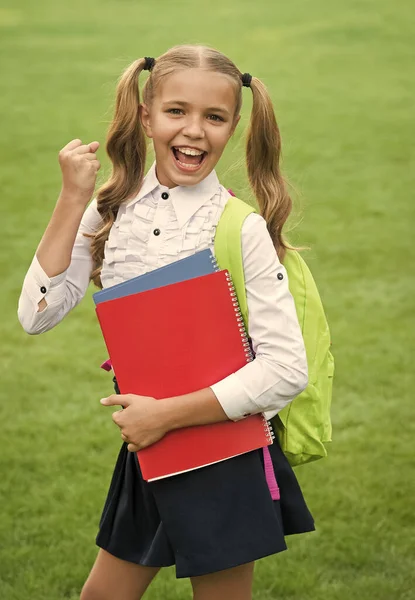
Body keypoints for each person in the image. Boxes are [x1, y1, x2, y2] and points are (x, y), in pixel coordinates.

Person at [18, 45, 315, 600]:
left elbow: (286, 368)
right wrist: (73, 198)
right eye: (177, 111)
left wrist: (167, 416)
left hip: (224, 449)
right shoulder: (111, 210)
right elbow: (36, 315)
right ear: (147, 114)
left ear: (234, 126)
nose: (195, 131)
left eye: (215, 117)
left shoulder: (238, 227)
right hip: (148, 447)